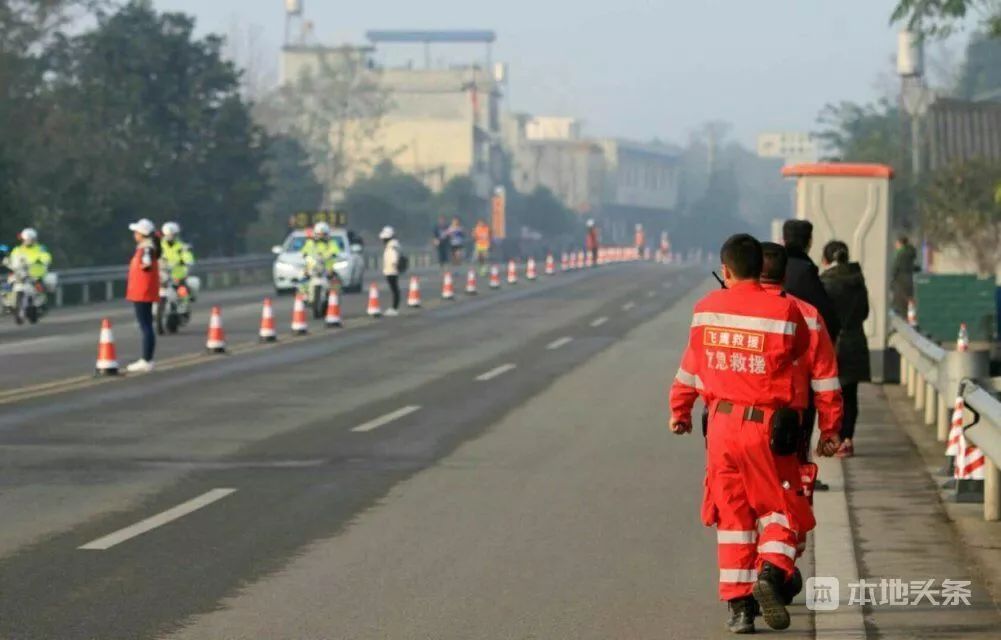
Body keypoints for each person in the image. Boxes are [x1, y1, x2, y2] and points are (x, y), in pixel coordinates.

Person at [670, 233, 839, 634]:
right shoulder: (794, 314)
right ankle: (771, 572)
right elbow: (821, 376)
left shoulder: (705, 311)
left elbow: (691, 368)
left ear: (726, 270)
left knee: (733, 518)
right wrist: (830, 429)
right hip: (772, 428)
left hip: (721, 425)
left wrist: (680, 412)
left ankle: (739, 608)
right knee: (782, 508)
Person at [782, 220, 840, 481]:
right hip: (802, 372)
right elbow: (828, 317)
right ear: (809, 241)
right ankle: (800, 476)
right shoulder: (806, 272)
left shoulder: (773, 273)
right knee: (800, 429)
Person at [821, 240, 871, 458]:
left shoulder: (824, 283)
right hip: (855, 342)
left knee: (832, 395)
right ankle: (848, 440)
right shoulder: (858, 281)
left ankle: (834, 438)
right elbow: (865, 312)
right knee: (851, 395)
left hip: (832, 344)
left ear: (825, 260)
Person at [126, 219, 160, 373]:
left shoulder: (146, 249)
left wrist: (145, 265)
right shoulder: (147, 247)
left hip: (142, 292)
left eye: (136, 232)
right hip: (143, 291)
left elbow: (146, 266)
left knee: (145, 326)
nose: (134, 234)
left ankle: (146, 359)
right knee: (146, 325)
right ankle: (147, 359)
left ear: (143, 234)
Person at [891, 234, 918, 316]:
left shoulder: (901, 253)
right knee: (907, 301)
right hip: (909, 279)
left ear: (900, 243)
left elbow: (896, 267)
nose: (895, 245)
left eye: (896, 243)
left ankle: (900, 316)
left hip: (900, 280)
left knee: (899, 301)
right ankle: (907, 317)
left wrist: (891, 277)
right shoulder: (910, 253)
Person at [380, 226, 401, 317]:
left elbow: (393, 258)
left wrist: (394, 265)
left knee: (395, 289)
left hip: (391, 271)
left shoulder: (392, 246)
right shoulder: (393, 245)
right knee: (394, 289)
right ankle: (394, 308)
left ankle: (394, 308)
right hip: (390, 270)